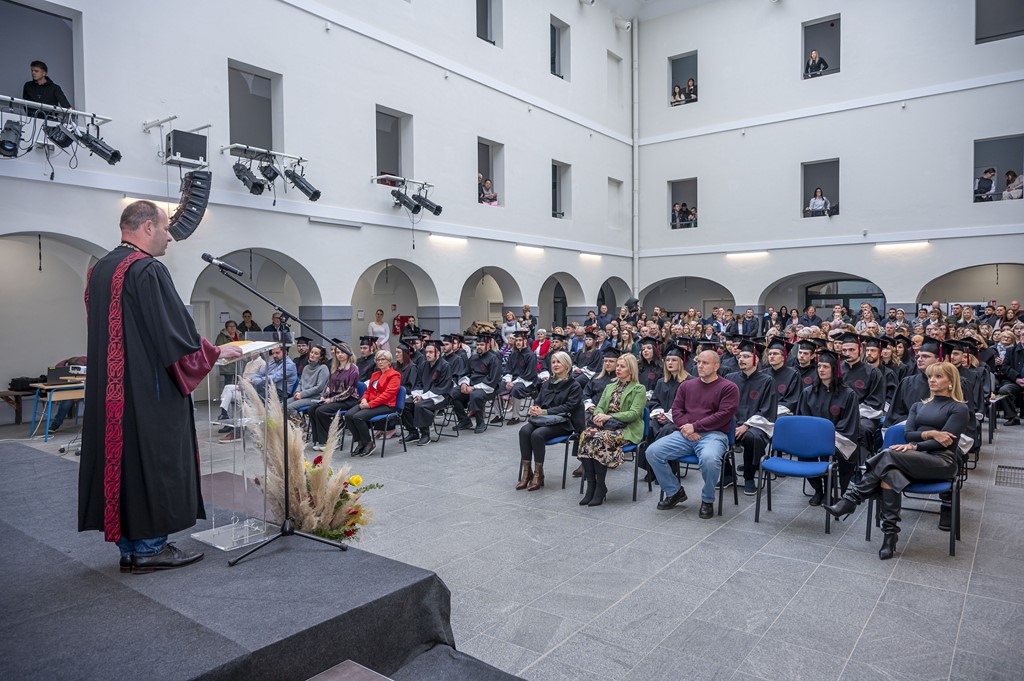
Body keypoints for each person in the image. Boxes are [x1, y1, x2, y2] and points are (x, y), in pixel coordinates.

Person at [80, 200, 244, 573]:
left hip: (112, 390)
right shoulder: (147, 269)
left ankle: (131, 548)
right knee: (154, 463)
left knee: (124, 465)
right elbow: (173, 332)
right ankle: (151, 547)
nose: (171, 236)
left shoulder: (100, 270)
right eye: (166, 227)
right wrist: (216, 352)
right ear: (147, 228)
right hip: (147, 390)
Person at [826, 362, 970, 560]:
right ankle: (889, 537)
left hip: (941, 463)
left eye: (938, 377)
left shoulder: (959, 408)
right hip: (911, 460)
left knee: (888, 455)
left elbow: (945, 443)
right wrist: (931, 433)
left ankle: (852, 499)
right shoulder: (919, 405)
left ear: (951, 381)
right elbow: (909, 434)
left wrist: (916, 446)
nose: (932, 381)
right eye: (930, 377)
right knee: (889, 473)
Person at [645, 350, 739, 518]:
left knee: (710, 459)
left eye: (705, 363)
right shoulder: (687, 385)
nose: (700, 366)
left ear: (716, 366)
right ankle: (674, 491)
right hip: (685, 433)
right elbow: (677, 410)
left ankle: (707, 499)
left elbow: (723, 415)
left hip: (714, 435)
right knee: (652, 452)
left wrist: (695, 427)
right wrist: (686, 429)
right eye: (698, 362)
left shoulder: (729, 388)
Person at [576, 353, 647, 507]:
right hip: (606, 427)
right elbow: (600, 405)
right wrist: (597, 416)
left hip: (627, 428)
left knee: (600, 439)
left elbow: (634, 414)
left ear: (631, 368)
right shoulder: (610, 386)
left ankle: (600, 486)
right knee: (586, 435)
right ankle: (591, 485)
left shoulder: (639, 389)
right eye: (618, 365)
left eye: (622, 366)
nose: (618, 369)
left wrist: (608, 417)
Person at [796, 349, 860, 505]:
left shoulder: (848, 394)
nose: (821, 370)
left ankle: (830, 491)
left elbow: (848, 423)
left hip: (838, 439)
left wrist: (826, 439)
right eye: (819, 366)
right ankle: (818, 489)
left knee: (829, 452)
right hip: (812, 439)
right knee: (803, 450)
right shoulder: (808, 392)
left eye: (825, 366)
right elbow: (803, 420)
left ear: (834, 369)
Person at [517, 351, 585, 491]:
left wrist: (544, 411)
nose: (555, 365)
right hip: (543, 420)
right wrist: (535, 407)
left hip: (564, 422)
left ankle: (538, 475)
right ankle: (527, 472)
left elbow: (569, 407)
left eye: (558, 362)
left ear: (566, 365)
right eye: (553, 362)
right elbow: (539, 400)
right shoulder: (548, 383)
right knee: (524, 431)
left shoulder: (574, 385)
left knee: (537, 435)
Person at [723, 339, 777, 496]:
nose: (741, 359)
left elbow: (767, 410)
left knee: (753, 438)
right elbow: (723, 405)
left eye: (746, 356)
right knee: (714, 434)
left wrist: (746, 426)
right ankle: (727, 474)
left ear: (756, 359)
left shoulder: (767, 381)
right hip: (732, 423)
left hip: (755, 425)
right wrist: (730, 425)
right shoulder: (731, 378)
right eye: (740, 356)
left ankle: (749, 477)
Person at [345, 349, 400, 457]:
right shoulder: (375, 374)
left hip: (386, 405)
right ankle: (360, 442)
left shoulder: (394, 375)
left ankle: (369, 443)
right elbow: (368, 391)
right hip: (370, 402)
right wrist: (364, 399)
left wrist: (369, 405)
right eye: (378, 360)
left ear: (389, 361)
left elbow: (387, 394)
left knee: (358, 417)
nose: (380, 362)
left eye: (383, 359)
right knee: (348, 415)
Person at [310, 343, 360, 451]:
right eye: (338, 352)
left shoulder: (353, 369)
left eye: (342, 352)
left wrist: (331, 400)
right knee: (312, 408)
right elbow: (329, 386)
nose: (340, 354)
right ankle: (320, 440)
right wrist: (324, 396)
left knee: (321, 411)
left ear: (348, 353)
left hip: (349, 400)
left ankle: (332, 440)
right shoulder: (334, 367)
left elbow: (349, 391)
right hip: (334, 398)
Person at [451, 333, 502, 433]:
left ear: (488, 345)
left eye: (482, 345)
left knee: (476, 395)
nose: (479, 347)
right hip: (471, 386)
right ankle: (464, 420)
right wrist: (464, 383)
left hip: (487, 388)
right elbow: (466, 373)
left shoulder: (493, 359)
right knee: (453, 393)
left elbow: (492, 380)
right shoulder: (473, 358)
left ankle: (480, 422)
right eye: (478, 344)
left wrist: (473, 388)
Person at [409, 340, 452, 446]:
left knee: (420, 405)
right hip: (424, 395)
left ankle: (425, 434)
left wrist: (422, 397)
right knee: (406, 403)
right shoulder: (423, 365)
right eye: (426, 352)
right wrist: (418, 395)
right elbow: (418, 383)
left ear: (437, 353)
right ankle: (413, 432)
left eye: (430, 352)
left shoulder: (445, 366)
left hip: (440, 396)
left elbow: (442, 388)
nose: (427, 355)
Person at [496, 330, 538, 425]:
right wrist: (508, 381)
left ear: (525, 341)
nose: (518, 342)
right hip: (513, 380)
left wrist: (513, 383)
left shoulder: (531, 355)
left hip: (527, 382)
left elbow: (529, 374)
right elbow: (508, 370)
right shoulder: (514, 354)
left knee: (516, 389)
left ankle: (516, 417)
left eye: (520, 340)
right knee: (497, 386)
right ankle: (498, 415)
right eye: (516, 340)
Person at [288, 345, 329, 415]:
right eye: (312, 352)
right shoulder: (306, 367)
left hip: (314, 397)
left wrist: (302, 394)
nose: (312, 355)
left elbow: (319, 388)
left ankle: (300, 425)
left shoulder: (323, 368)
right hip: (302, 395)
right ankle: (290, 424)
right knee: (282, 405)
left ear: (321, 357)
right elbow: (300, 383)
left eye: (316, 354)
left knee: (289, 408)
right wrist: (297, 392)